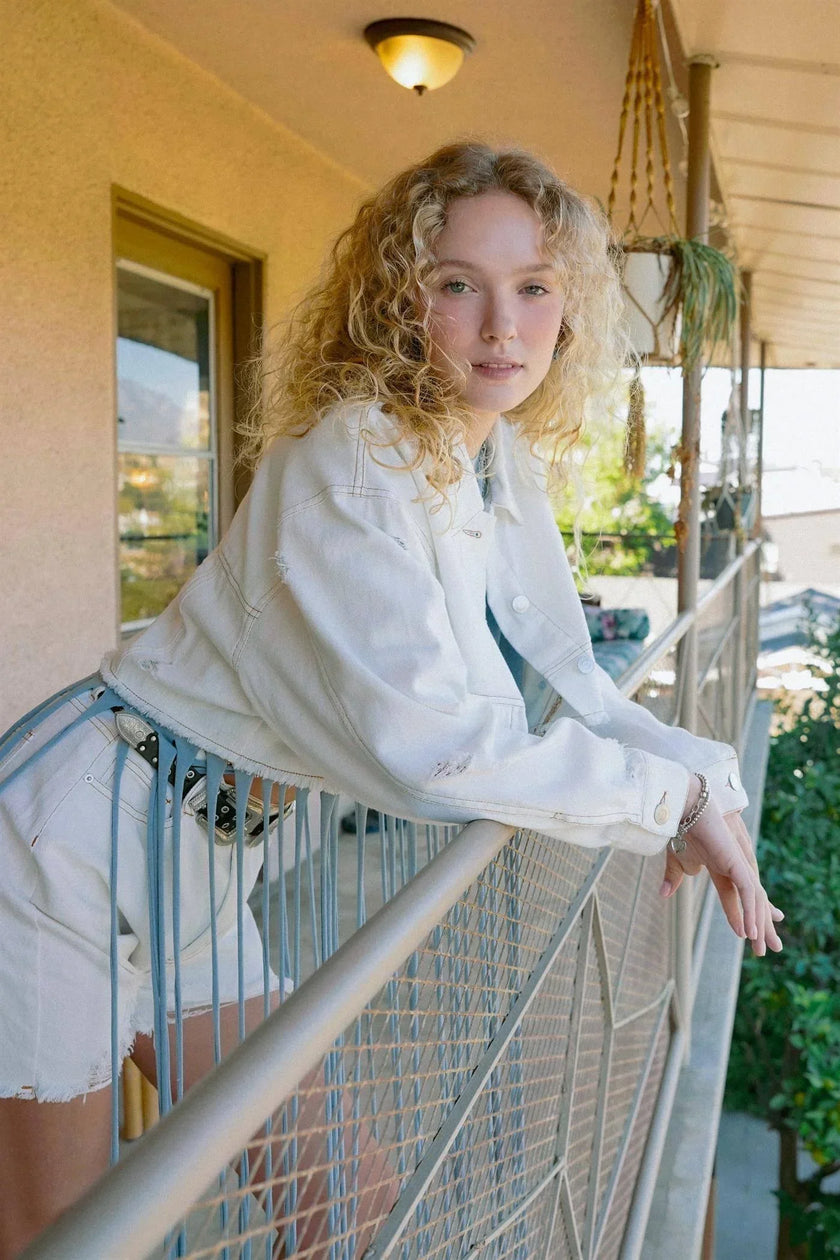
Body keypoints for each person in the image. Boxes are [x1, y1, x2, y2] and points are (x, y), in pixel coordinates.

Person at [0, 141, 783, 1257]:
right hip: (68, 848)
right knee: (58, 1234)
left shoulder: (485, 462)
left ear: (570, 310)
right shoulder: (357, 458)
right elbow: (436, 752)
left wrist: (703, 782)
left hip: (206, 865)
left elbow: (568, 671)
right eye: (459, 284)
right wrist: (666, 803)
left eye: (534, 288)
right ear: (400, 301)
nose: (502, 325)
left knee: (349, 1206)